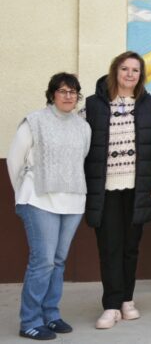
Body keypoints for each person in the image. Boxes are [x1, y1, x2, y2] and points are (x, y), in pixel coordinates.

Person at [81, 52, 151, 329]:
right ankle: (110, 305)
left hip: (138, 188)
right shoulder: (93, 106)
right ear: (114, 71)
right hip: (105, 189)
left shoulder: (150, 106)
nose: (130, 74)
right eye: (125, 69)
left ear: (140, 75)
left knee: (131, 247)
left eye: (135, 70)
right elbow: (81, 146)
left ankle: (127, 300)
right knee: (109, 247)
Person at [8, 73, 91, 341]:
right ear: (52, 93)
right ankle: (30, 320)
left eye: (73, 92)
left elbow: (82, 158)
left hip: (73, 201)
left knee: (58, 260)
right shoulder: (34, 122)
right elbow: (14, 160)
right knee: (42, 261)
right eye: (63, 91)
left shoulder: (83, 126)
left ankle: (51, 315)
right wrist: (22, 193)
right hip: (39, 200)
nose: (68, 96)